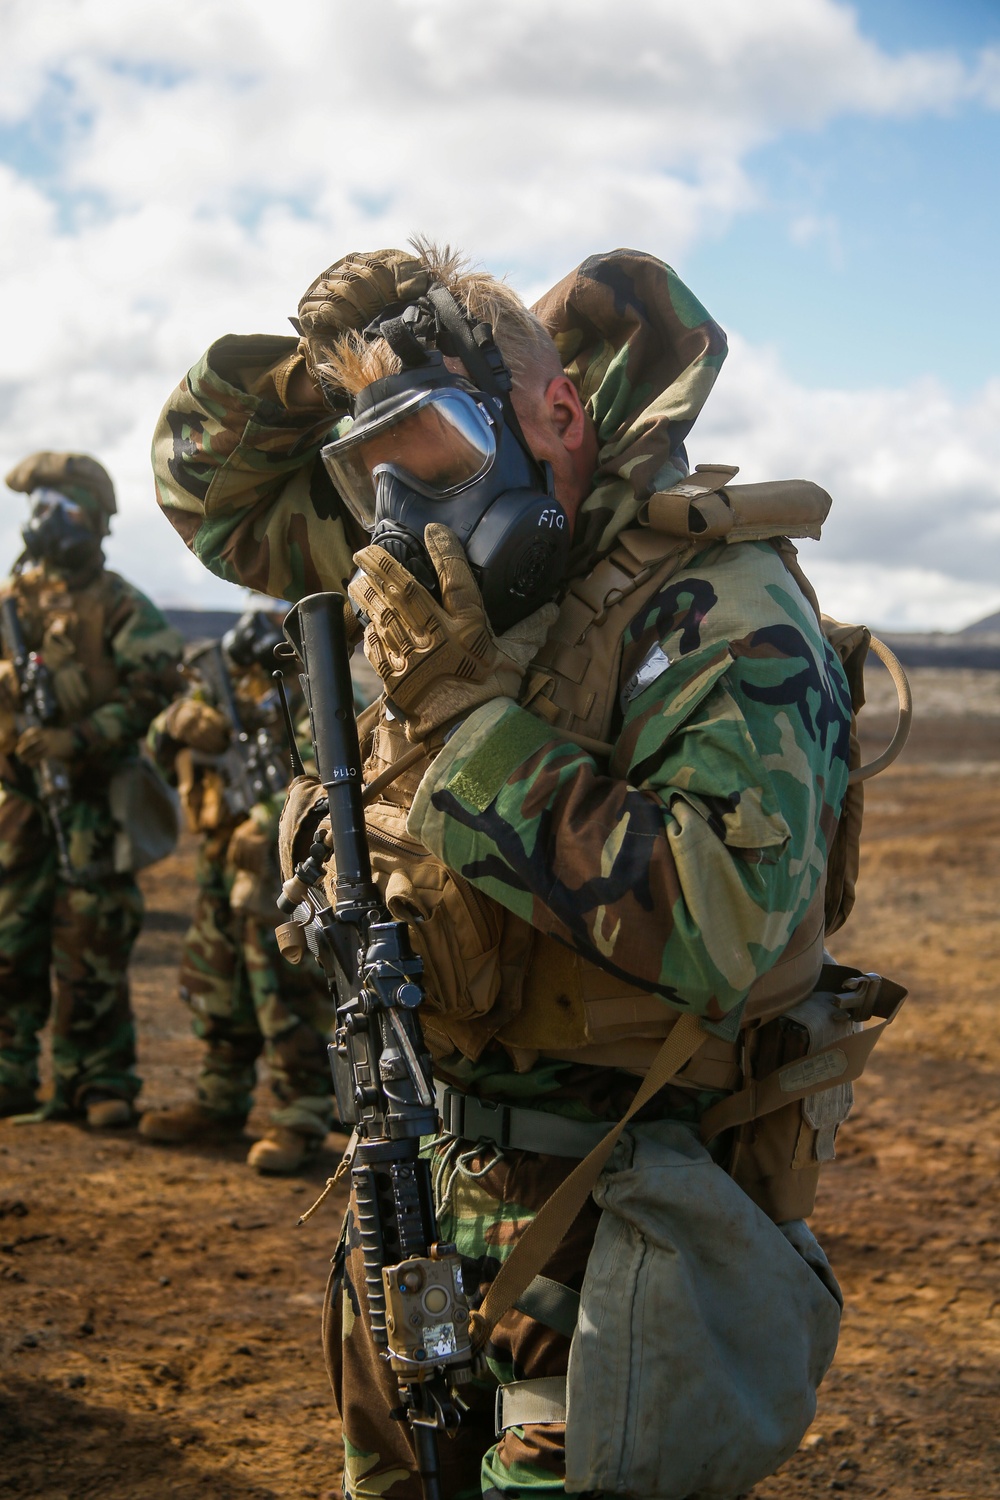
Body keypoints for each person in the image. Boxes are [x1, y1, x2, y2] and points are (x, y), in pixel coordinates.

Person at [152, 246, 882, 1499]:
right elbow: (205, 488)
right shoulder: (452, 559)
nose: (395, 509)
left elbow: (734, 931)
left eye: (426, 447)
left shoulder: (717, 606)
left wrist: (469, 735)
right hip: (430, 1191)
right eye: (363, 468)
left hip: (626, 1223)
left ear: (559, 418)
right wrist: (329, 373)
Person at [0, 451, 183, 1127]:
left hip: (93, 801)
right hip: (17, 804)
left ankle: (97, 1079)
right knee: (8, 940)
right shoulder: (11, 602)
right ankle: (10, 1071)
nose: (46, 523)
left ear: (95, 520)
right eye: (38, 508)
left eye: (61, 508)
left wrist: (76, 739)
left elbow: (153, 686)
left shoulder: (119, 604)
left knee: (92, 943)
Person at [138, 607, 338, 1174]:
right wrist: (175, 721)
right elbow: (159, 744)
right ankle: (218, 1101)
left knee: (283, 991)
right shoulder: (224, 682)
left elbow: (330, 770)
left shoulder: (312, 685)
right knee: (217, 981)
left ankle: (301, 1115)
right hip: (217, 860)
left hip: (282, 866)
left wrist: (268, 816)